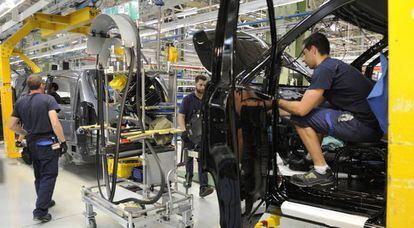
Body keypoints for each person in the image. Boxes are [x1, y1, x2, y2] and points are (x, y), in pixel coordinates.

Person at [276, 33, 382, 187]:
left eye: (304, 54)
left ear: (313, 49)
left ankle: (321, 171)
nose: (304, 61)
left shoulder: (324, 69)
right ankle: (311, 159)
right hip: (372, 126)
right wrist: (274, 111)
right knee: (321, 109)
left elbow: (301, 111)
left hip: (364, 127)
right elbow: (313, 106)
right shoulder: (334, 65)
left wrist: (275, 101)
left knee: (300, 119)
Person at [9, 75, 67, 222]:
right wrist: (63, 141)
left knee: (39, 175)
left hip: (32, 144)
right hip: (48, 144)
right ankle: (40, 211)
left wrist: (26, 134)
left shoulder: (20, 101)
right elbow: (55, 123)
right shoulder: (48, 99)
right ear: (41, 85)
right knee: (49, 175)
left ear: (29, 86)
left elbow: (12, 125)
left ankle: (44, 200)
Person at [178, 75, 214, 197]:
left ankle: (203, 187)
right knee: (189, 158)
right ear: (195, 84)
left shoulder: (207, 99)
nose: (203, 87)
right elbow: (181, 116)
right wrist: (183, 131)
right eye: (200, 85)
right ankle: (188, 178)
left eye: (204, 85)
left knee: (202, 160)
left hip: (202, 135)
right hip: (189, 133)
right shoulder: (188, 99)